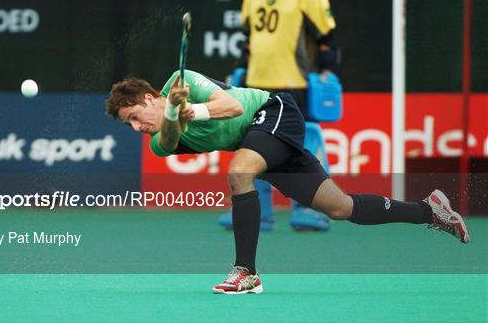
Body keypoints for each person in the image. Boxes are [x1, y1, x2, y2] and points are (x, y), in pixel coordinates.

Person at [106, 69, 470, 294]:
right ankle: (429, 211)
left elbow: (231, 107)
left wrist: (192, 108)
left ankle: (246, 272)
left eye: (136, 116)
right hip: (261, 141)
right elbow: (169, 139)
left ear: (149, 97)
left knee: (239, 172)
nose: (138, 127)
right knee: (341, 207)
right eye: (130, 125)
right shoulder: (158, 139)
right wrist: (172, 112)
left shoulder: (183, 81)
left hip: (273, 112)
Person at [219, 0, 339, 231]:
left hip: (295, 84)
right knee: (252, 146)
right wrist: (239, 71)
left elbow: (327, 40)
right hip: (256, 86)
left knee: (303, 147)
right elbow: (249, 40)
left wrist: (327, 72)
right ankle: (257, 211)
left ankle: (312, 210)